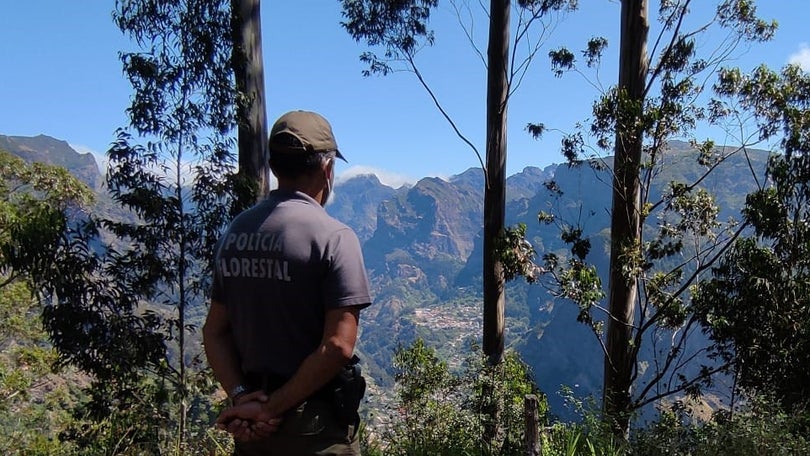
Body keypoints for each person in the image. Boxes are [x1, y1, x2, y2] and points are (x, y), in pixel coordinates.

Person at [203, 110, 372, 455]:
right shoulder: (334, 237)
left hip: (253, 427)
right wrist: (273, 406)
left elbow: (214, 331)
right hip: (314, 429)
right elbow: (338, 346)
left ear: (274, 166)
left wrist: (242, 398)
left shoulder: (236, 232)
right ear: (327, 170)